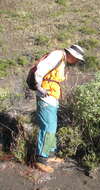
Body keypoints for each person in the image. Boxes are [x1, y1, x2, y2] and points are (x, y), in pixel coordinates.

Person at [34, 44, 85, 173]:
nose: (77, 62)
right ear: (72, 55)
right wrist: (38, 85)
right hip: (46, 96)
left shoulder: (62, 59)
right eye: (77, 59)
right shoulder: (57, 55)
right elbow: (41, 68)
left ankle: (50, 154)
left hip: (51, 97)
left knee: (52, 126)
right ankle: (41, 159)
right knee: (48, 127)